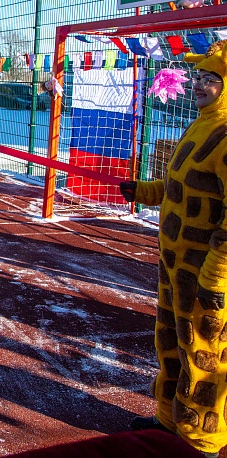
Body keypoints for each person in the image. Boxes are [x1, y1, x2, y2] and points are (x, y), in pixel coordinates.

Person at [121, 39, 227, 458]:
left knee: (204, 352)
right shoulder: (201, 123)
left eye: (211, 79)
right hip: (175, 263)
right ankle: (169, 416)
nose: (199, 84)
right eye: (198, 77)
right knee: (169, 340)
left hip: (205, 273)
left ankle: (202, 438)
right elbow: (181, 185)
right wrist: (145, 191)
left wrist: (216, 274)